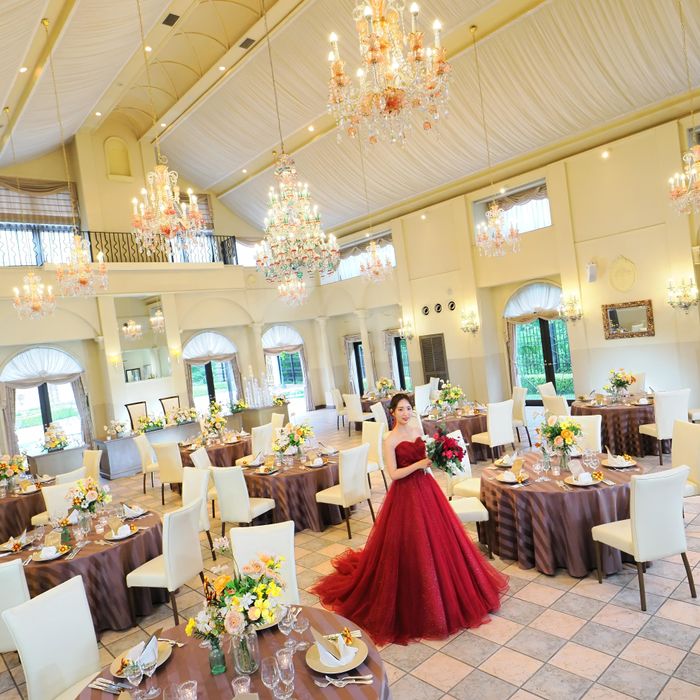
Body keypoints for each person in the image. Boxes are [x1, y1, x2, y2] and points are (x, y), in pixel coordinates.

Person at [311, 393, 508, 646]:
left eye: (408, 408)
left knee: (439, 539)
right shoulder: (390, 439)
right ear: (392, 412)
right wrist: (419, 465)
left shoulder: (417, 428)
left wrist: (435, 460)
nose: (405, 413)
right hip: (405, 494)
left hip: (426, 489)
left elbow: (426, 459)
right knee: (412, 544)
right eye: (401, 410)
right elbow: (394, 474)